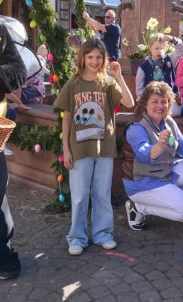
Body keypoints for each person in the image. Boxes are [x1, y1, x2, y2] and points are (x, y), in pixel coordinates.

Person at [54, 39, 135, 256]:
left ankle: (103, 233)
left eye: (99, 57)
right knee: (80, 195)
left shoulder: (107, 83)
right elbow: (66, 118)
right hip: (79, 150)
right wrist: (66, 149)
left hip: (104, 148)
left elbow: (129, 103)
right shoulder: (73, 84)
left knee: (102, 193)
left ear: (104, 59)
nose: (94, 61)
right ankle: (77, 237)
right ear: (82, 58)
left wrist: (118, 77)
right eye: (90, 57)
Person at [123, 81, 183, 230]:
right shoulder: (136, 127)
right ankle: (138, 208)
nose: (160, 106)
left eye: (164, 102)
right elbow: (143, 154)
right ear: (145, 104)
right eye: (155, 101)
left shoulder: (168, 121)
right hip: (143, 182)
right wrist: (160, 146)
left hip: (165, 172)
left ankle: (173, 202)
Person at [135, 33, 183, 99]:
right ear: (150, 48)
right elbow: (139, 87)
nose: (159, 51)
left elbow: (181, 50)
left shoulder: (170, 59)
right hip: (151, 99)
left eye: (162, 48)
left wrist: (172, 39)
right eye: (156, 48)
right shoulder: (144, 66)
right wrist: (142, 100)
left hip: (168, 98)